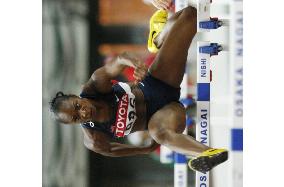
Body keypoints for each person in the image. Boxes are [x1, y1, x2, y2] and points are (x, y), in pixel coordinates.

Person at [49, 5, 228, 173]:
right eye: (76, 118)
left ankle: (157, 38)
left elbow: (119, 60)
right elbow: (111, 149)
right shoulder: (94, 137)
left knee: (190, 15)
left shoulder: (94, 86)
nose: (83, 112)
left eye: (77, 106)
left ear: (76, 96)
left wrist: (135, 65)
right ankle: (209, 153)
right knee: (158, 132)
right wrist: (143, 149)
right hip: (164, 116)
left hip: (156, 83)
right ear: (74, 123)